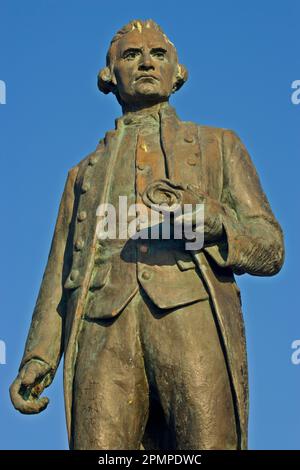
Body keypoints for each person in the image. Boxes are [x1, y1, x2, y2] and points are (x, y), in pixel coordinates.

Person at [10, 19, 284, 450]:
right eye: (130, 55)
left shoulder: (219, 145)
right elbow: (58, 274)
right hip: (102, 331)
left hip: (192, 321)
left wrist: (217, 224)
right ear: (109, 77)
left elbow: (270, 246)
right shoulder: (82, 175)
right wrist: (39, 356)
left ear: (178, 72)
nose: (145, 63)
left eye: (158, 54)